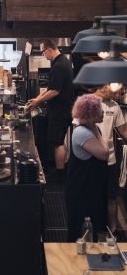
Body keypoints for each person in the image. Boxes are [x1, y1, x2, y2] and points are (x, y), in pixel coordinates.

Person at [27, 39, 74, 182]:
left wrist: (38, 101)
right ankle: (61, 169)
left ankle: (60, 174)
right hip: (62, 110)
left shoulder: (59, 65)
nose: (43, 55)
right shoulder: (61, 62)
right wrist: (37, 98)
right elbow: (49, 88)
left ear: (49, 49)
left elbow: (55, 91)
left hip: (61, 111)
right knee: (58, 140)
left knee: (57, 142)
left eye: (43, 52)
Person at [66, 94, 109, 242]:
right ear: (91, 114)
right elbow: (104, 154)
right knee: (81, 232)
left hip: (89, 189)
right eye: (100, 110)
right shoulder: (82, 132)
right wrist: (96, 130)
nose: (103, 113)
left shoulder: (91, 129)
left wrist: (95, 127)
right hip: (81, 192)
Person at [94, 84, 126, 234]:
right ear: (105, 85)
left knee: (111, 196)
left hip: (110, 159)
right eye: (116, 89)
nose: (118, 93)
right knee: (93, 195)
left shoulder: (115, 107)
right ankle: (94, 227)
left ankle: (112, 230)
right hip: (92, 159)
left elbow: (124, 131)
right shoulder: (90, 102)